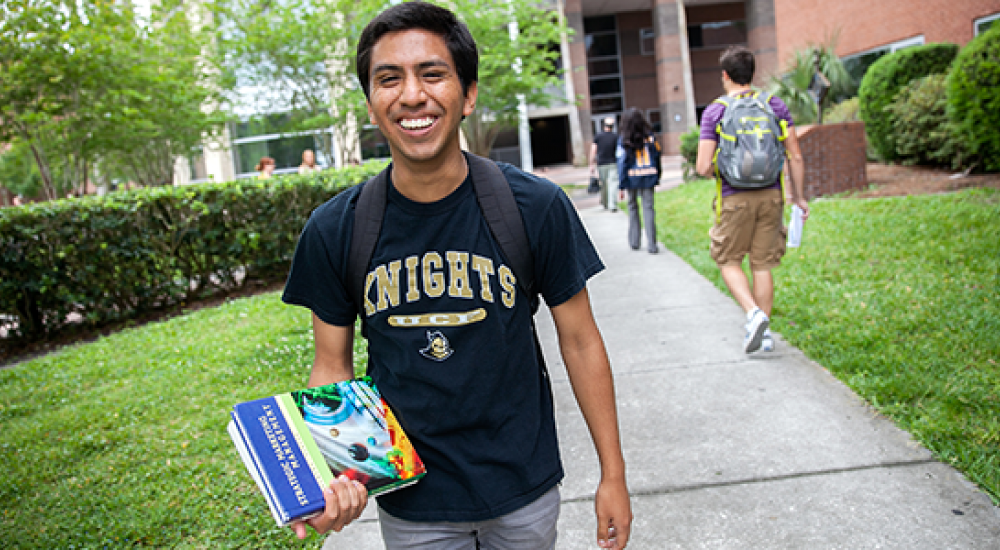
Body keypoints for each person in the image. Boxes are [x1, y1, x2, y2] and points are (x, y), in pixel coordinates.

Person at [281, 2, 632, 549]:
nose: (412, 95)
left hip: (524, 490)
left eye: (433, 73)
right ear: (372, 103)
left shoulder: (534, 207)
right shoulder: (335, 229)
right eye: (388, 78)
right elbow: (332, 367)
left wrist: (613, 473)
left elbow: (582, 342)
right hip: (414, 502)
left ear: (467, 94)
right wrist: (336, 477)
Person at [695, 45, 810, 354]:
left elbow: (703, 166)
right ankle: (765, 332)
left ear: (725, 75)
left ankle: (752, 313)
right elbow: (795, 156)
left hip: (734, 198)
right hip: (772, 195)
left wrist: (724, 170)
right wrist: (799, 197)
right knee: (762, 265)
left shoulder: (716, 111)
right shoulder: (775, 105)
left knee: (728, 259)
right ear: (752, 73)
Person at [616, 108, 661, 254]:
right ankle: (652, 244)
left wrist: (621, 184)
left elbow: (621, 161)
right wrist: (658, 174)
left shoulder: (624, 139)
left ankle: (634, 241)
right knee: (648, 208)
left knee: (632, 207)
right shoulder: (650, 137)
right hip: (649, 175)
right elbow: (657, 156)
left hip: (631, 178)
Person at [590, 116, 620, 211]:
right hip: (613, 163)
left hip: (601, 163)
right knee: (613, 183)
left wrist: (591, 164)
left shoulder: (598, 136)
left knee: (603, 184)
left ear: (604, 126)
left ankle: (605, 203)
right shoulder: (615, 136)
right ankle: (612, 205)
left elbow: (593, 150)